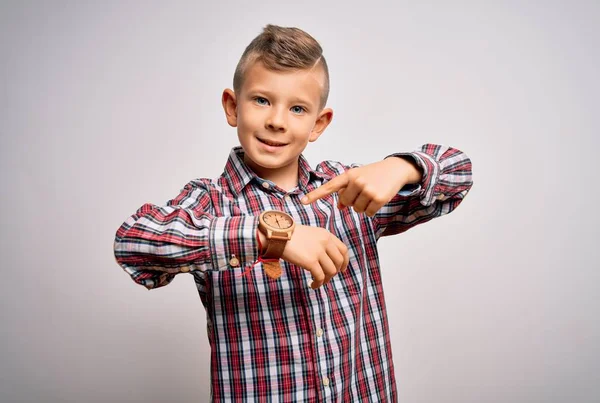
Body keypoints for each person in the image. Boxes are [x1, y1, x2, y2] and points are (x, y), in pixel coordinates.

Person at [114, 24, 473, 402]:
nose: (278, 121)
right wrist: (270, 237)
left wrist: (403, 167)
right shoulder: (211, 202)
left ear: (318, 123)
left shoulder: (347, 191)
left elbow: (459, 173)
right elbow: (133, 242)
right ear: (232, 107)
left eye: (298, 108)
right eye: (261, 100)